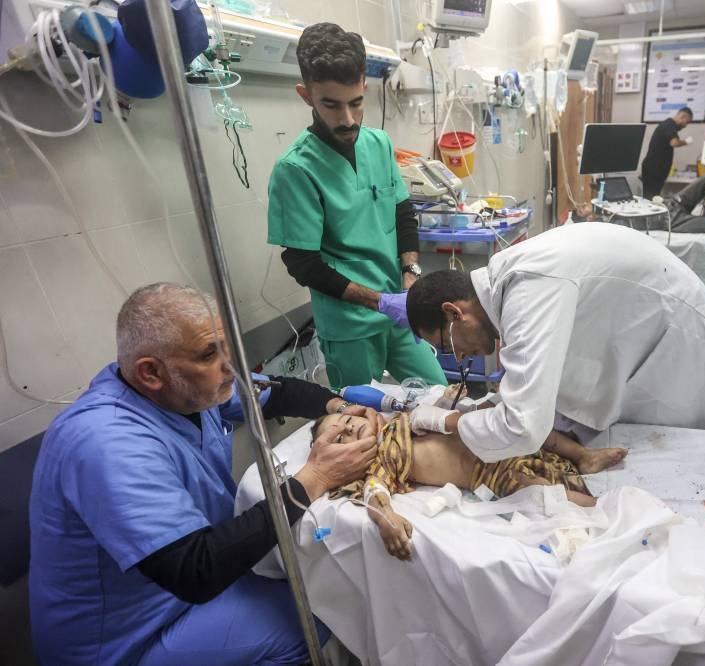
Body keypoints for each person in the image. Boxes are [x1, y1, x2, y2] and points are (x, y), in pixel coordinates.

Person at [29, 283, 382, 665]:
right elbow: (195, 571)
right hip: (129, 640)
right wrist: (317, 477)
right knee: (322, 609)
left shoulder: (184, 390)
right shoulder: (107, 443)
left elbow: (278, 393)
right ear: (151, 373)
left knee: (319, 581)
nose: (230, 365)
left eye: (227, 345)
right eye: (210, 353)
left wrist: (342, 407)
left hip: (184, 593)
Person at [401, 223, 705, 463]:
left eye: (447, 345)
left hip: (675, 325)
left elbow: (522, 428)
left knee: (687, 453)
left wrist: (442, 421)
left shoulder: (527, 290)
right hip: (639, 320)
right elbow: (529, 382)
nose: (459, 356)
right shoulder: (508, 288)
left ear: (454, 313)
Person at [267, 22, 445, 389]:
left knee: (440, 394)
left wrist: (410, 276)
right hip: (349, 325)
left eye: (356, 102)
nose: (347, 119)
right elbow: (304, 264)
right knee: (362, 423)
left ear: (365, 86)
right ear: (306, 95)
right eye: (331, 105)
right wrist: (377, 301)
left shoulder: (378, 144)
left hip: (398, 310)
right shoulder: (296, 169)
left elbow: (402, 213)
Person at [313, 407, 629, 560]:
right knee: (541, 492)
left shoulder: (400, 422)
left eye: (349, 423)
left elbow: (442, 419)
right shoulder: (381, 462)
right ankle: (611, 513)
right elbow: (374, 491)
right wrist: (385, 518)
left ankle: (584, 455)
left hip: (486, 438)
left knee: (535, 432)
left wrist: (447, 415)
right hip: (486, 474)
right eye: (339, 439)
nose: (348, 431)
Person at [640, 107, 694, 199]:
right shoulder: (669, 125)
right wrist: (686, 141)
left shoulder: (668, 125)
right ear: (683, 116)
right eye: (687, 122)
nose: (685, 126)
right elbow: (674, 142)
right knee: (651, 199)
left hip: (654, 170)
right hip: (654, 171)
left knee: (652, 198)